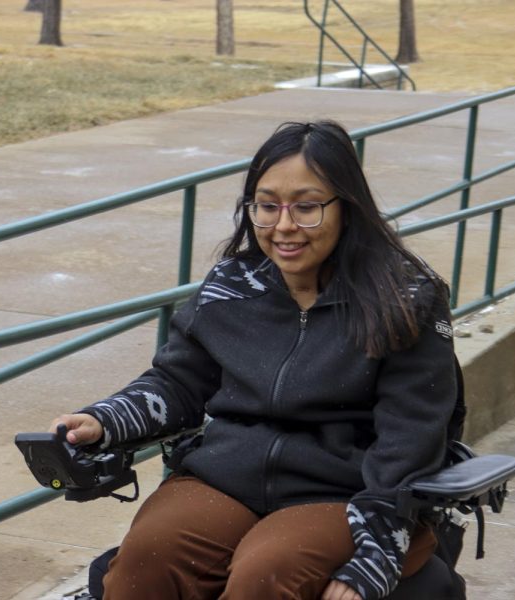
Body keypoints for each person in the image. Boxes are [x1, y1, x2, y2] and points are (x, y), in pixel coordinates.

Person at [50, 121, 457, 600]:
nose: (283, 226)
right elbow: (178, 383)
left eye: (306, 207)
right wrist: (103, 422)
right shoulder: (232, 284)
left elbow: (412, 436)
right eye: (267, 206)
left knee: (267, 572)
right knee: (149, 556)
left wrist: (377, 553)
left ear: (347, 207)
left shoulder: (406, 298)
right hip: (226, 477)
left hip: (341, 491)